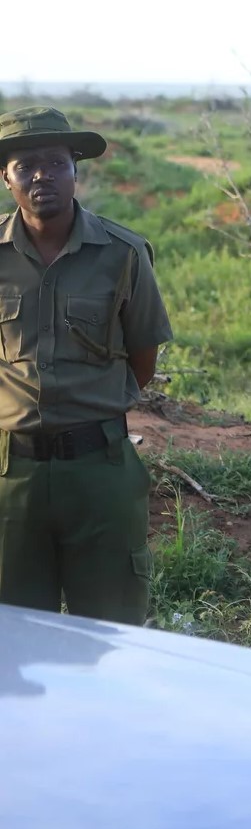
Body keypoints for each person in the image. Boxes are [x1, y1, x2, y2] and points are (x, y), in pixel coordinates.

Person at [0, 106, 173, 625]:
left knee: (111, 632)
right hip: (12, 476)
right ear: (5, 177)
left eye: (55, 163)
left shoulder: (122, 254)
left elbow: (142, 358)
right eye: (25, 165)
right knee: (13, 642)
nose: (41, 176)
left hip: (100, 471)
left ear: (76, 171)